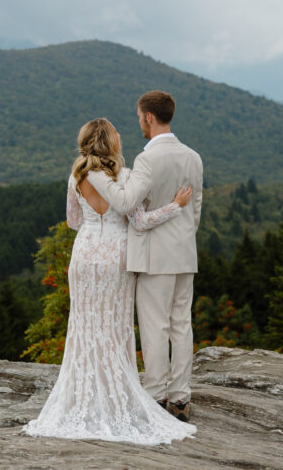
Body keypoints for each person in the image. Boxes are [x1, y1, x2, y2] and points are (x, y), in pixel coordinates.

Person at [22, 117, 196, 444]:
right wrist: (176, 206)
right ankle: (116, 395)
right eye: (116, 134)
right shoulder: (124, 177)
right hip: (117, 255)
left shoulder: (76, 176)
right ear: (109, 142)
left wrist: (94, 225)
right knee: (115, 324)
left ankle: (86, 396)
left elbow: (73, 221)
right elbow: (141, 222)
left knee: (86, 324)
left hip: (85, 254)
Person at [86, 90, 203, 422]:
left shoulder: (147, 159)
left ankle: (156, 396)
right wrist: (181, 238)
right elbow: (195, 210)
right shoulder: (193, 156)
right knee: (182, 325)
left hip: (154, 256)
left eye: (139, 117)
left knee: (155, 327)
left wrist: (98, 179)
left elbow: (125, 205)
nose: (139, 122)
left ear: (149, 117)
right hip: (184, 253)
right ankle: (181, 398)